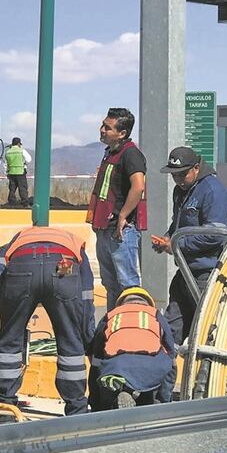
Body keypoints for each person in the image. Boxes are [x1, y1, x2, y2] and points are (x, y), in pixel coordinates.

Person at [0, 226, 95, 417]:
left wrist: (8, 304)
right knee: (70, 340)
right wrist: (86, 336)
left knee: (10, 340)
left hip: (22, 267)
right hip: (64, 266)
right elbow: (86, 295)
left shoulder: (16, 240)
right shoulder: (75, 242)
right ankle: (76, 408)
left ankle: (3, 406)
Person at [150, 146, 227, 347]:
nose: (177, 180)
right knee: (170, 328)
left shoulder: (213, 190)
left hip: (206, 273)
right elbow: (179, 225)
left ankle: (204, 378)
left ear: (196, 168)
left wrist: (176, 244)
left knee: (205, 333)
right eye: (174, 175)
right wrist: (166, 239)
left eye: (182, 174)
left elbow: (216, 235)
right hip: (185, 271)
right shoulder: (181, 190)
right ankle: (166, 373)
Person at [87, 107, 147, 311]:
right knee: (111, 285)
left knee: (127, 286)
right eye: (103, 125)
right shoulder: (110, 153)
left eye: (108, 127)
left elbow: (138, 186)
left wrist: (123, 215)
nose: (102, 130)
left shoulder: (131, 154)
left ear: (122, 133)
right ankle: (112, 329)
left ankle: (129, 332)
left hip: (122, 231)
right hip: (105, 228)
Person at [87, 287, 177, 411]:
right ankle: (160, 404)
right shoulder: (154, 314)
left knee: (99, 365)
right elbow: (170, 347)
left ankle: (113, 400)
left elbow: (95, 352)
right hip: (150, 368)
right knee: (169, 362)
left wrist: (95, 403)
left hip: (116, 367)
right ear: (148, 303)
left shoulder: (110, 316)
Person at [3, 137, 33, 207]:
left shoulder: (8, 152)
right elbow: (29, 159)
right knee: (22, 188)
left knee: (12, 188)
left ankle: (11, 202)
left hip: (11, 172)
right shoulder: (21, 150)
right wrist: (24, 164)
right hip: (20, 171)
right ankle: (25, 203)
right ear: (19, 143)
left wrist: (6, 172)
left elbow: (5, 163)